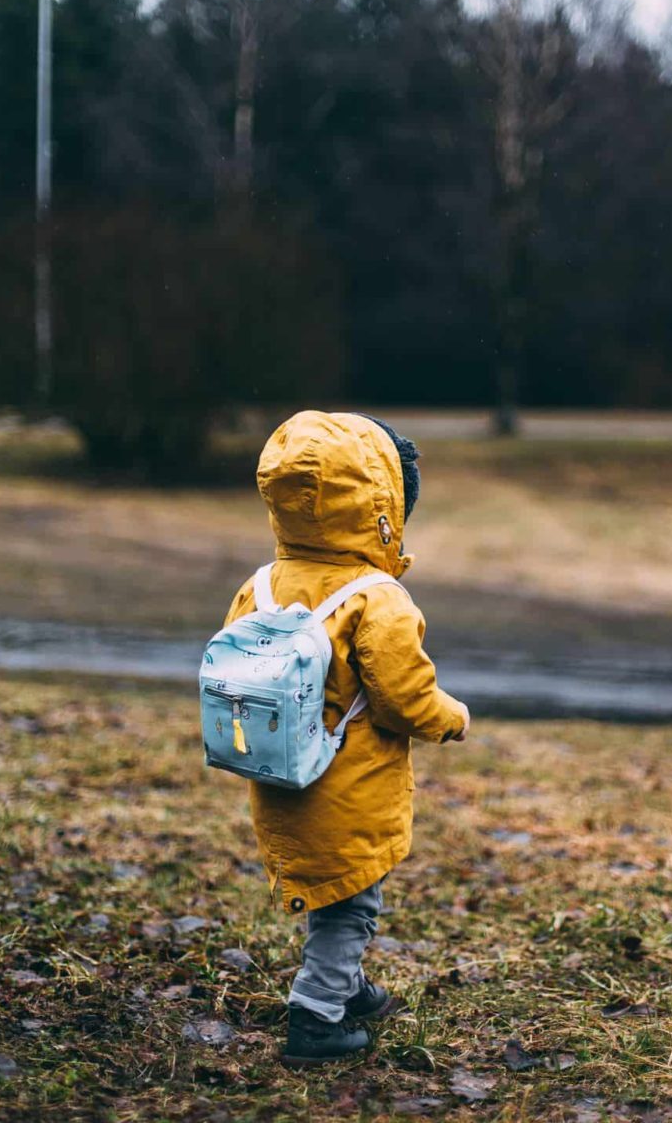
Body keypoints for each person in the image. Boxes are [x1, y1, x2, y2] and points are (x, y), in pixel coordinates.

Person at [223, 410, 470, 1067]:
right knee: (352, 903)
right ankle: (318, 1015)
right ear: (382, 508)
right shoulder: (375, 597)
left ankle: (348, 985)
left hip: (280, 779)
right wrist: (450, 717)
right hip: (349, 786)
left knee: (336, 892)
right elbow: (402, 696)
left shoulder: (262, 586)